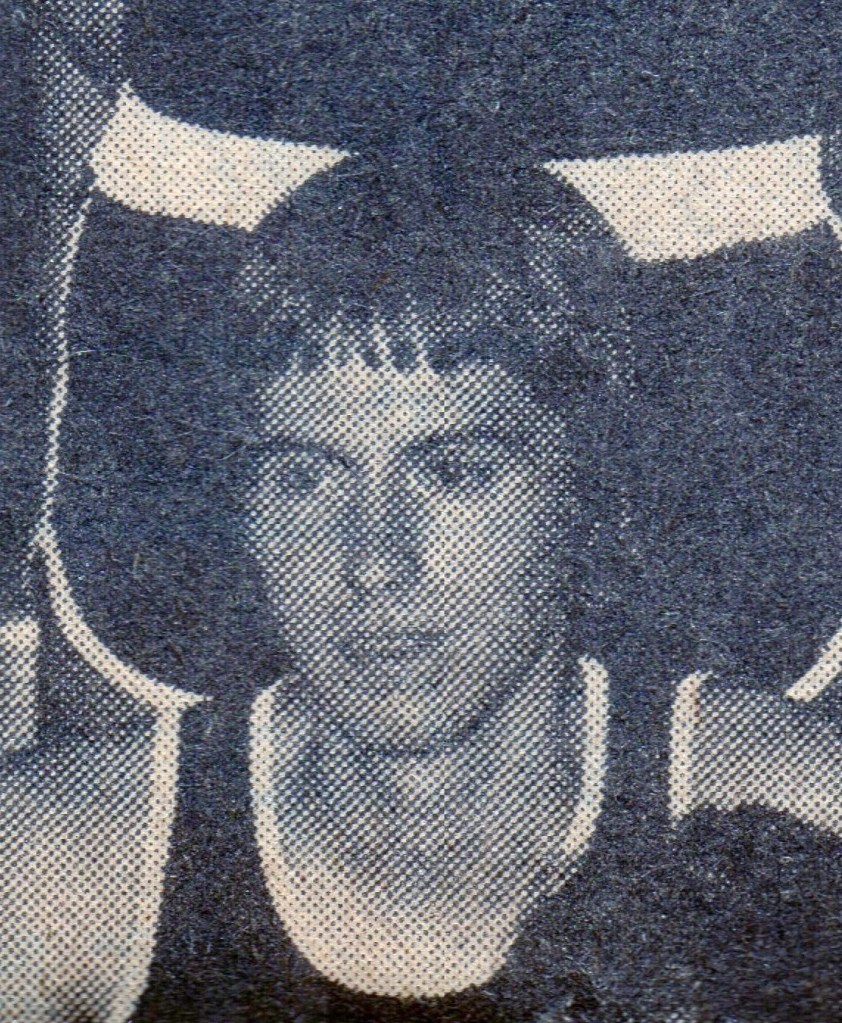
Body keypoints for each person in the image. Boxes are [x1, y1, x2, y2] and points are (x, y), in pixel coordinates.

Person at [1, 159, 839, 1023]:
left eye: (455, 472)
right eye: (306, 478)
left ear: (587, 484)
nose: (374, 562)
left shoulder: (794, 800)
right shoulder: (62, 860)